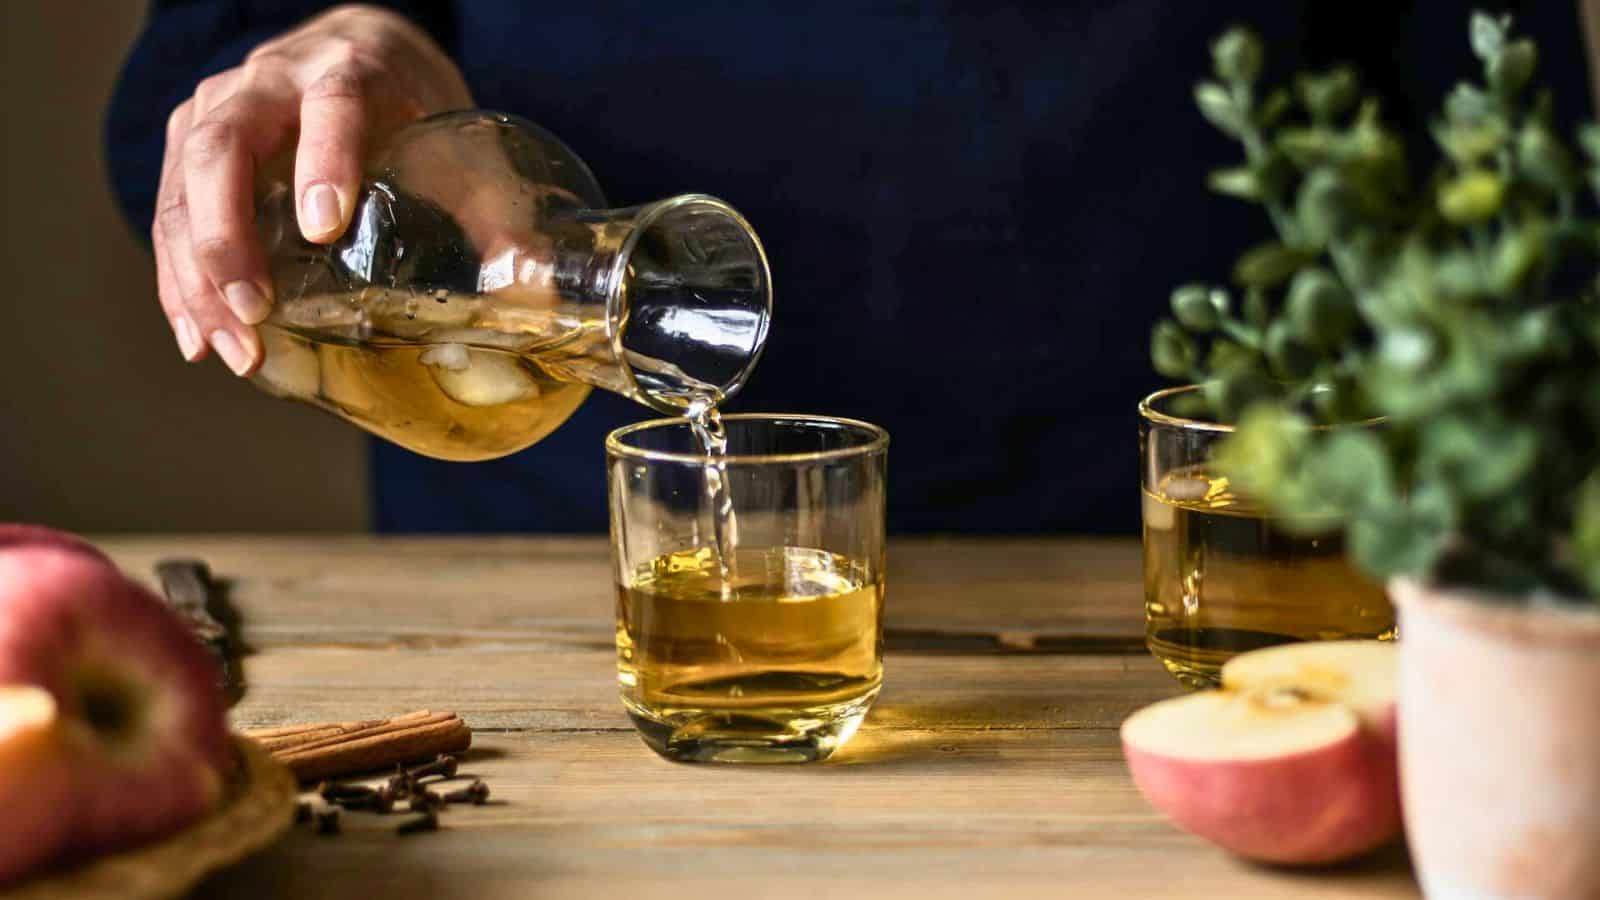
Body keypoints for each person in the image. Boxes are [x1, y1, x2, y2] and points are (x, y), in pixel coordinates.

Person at [105, 1, 1592, 533]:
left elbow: (1516, 176)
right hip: (538, 608)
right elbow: (183, 79)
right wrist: (341, 40)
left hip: (1168, 568)